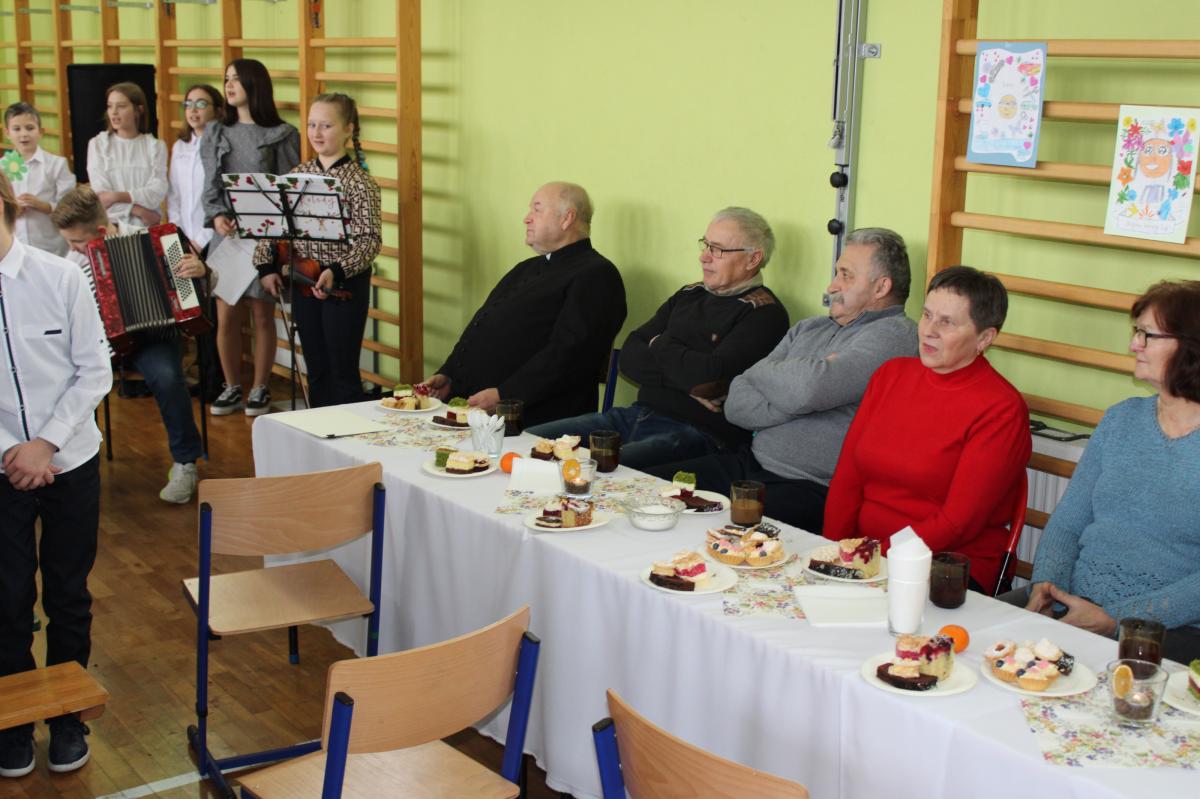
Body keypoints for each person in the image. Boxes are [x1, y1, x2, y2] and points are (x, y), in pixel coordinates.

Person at [645, 227, 917, 531]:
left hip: (808, 486)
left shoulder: (894, 335)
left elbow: (809, 389)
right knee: (649, 490)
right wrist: (797, 390)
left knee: (719, 533)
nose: (831, 286)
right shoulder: (809, 328)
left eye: (846, 275)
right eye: (836, 273)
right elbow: (737, 404)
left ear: (881, 287)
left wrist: (784, 383)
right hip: (748, 465)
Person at [1011, 281, 1200, 662]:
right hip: (1072, 602)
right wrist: (1046, 586)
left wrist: (1116, 619)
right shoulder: (1120, 419)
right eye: (1136, 332)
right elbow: (1068, 522)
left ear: (1190, 347)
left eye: (1147, 335)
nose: (1134, 345)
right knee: (973, 641)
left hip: (1166, 629)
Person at [526, 207, 790, 471]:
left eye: (718, 249)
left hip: (699, 432)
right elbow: (629, 356)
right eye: (706, 245)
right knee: (529, 442)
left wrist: (659, 343)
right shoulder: (689, 294)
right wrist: (687, 381)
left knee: (599, 471)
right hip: (635, 415)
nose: (704, 257)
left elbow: (709, 379)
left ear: (753, 259)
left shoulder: (764, 313)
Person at [823, 265, 1031, 593]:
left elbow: (957, 523)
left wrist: (874, 559)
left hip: (946, 567)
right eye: (927, 315)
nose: (929, 331)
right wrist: (836, 551)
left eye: (947, 322)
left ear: (984, 338)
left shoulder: (1001, 409)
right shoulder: (890, 375)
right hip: (868, 557)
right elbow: (848, 478)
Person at [0, 173, 111, 778]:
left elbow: (94, 370)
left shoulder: (61, 277)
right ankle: (12, 720)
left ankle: (68, 716)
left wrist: (45, 445)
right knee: (7, 600)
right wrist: (13, 452)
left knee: (68, 594)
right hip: (3, 469)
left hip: (70, 460)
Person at [419, 182, 626, 426]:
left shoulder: (597, 275)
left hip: (536, 416)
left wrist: (506, 395)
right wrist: (450, 374)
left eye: (537, 209)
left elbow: (569, 354)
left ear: (567, 218)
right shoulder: (526, 268)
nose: (527, 218)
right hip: (477, 406)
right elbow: (482, 323)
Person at [53, 186, 211, 504]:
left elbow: (203, 283)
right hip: (98, 342)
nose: (72, 249)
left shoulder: (157, 241)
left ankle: (185, 463)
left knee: (168, 378)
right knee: (67, 379)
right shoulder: (72, 264)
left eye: (77, 242)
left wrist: (202, 271)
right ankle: (74, 462)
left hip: (153, 338)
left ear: (100, 232)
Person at [254, 93, 381, 407]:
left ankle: (349, 435)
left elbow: (369, 241)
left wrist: (336, 270)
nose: (317, 132)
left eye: (326, 125)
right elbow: (273, 226)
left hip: (343, 285)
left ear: (348, 129)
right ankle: (319, 431)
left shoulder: (360, 182)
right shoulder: (296, 176)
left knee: (342, 371)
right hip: (304, 280)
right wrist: (266, 266)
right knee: (317, 370)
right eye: (312, 125)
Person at [202, 59, 300, 416]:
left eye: (236, 79)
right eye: (226, 79)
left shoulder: (282, 133)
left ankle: (260, 387)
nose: (229, 85)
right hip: (228, 237)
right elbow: (209, 184)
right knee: (226, 316)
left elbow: (289, 187)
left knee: (262, 315)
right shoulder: (216, 132)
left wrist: (274, 230)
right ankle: (231, 386)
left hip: (264, 238)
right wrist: (217, 216)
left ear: (254, 84)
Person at [168, 84, 225, 401]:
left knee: (214, 314)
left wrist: (202, 240)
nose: (193, 110)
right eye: (188, 103)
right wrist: (181, 237)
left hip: (211, 239)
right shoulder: (180, 146)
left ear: (216, 109)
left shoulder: (219, 145)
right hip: (185, 238)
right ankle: (203, 375)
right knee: (194, 312)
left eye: (201, 104)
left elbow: (215, 196)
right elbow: (175, 196)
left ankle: (216, 381)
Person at [85, 82, 167, 229]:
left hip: (148, 228)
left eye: (121, 106)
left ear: (138, 109)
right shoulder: (98, 144)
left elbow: (156, 192)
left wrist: (117, 196)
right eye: (110, 106)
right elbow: (102, 198)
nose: (114, 112)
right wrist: (138, 210)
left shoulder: (156, 146)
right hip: (112, 228)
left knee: (172, 248)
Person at [3, 102, 75, 257]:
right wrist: (12, 210)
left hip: (50, 246)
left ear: (40, 132)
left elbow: (70, 207)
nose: (24, 134)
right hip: (14, 245)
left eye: (30, 128)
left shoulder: (56, 164)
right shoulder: (2, 167)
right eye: (17, 129)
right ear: (7, 133)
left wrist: (43, 206)